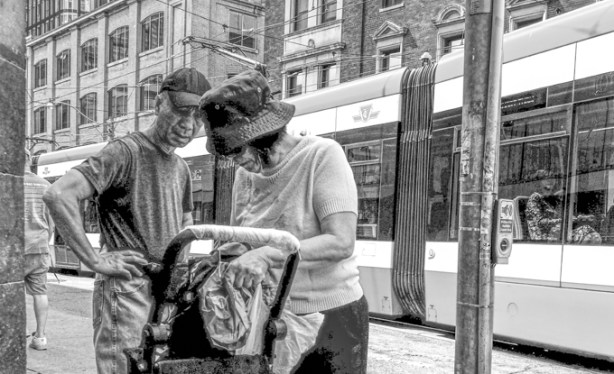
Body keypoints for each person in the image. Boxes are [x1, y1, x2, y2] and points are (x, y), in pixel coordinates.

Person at [200, 70, 369, 373]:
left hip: (332, 317)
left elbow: (341, 242)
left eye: (236, 149)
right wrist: (224, 259)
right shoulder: (245, 176)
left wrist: (268, 254)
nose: (233, 159)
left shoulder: (322, 156)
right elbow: (243, 240)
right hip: (271, 316)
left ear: (260, 136)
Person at [43, 68, 211, 374]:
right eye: (181, 112)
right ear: (160, 104)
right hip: (128, 290)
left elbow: (185, 220)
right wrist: (95, 260)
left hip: (164, 292)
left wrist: (178, 271)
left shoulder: (180, 167)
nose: (189, 125)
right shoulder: (125, 152)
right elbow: (59, 195)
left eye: (198, 117)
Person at [23, 148, 54, 351]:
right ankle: (40, 338)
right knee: (40, 292)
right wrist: (46, 242)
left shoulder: (7, 183)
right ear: (29, 161)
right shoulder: (46, 186)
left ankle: (12, 333)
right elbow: (52, 223)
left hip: (12, 250)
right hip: (39, 247)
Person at [526, 169, 601, 244]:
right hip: (544, 238)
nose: (550, 181)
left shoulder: (553, 200)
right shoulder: (535, 198)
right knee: (590, 236)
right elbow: (540, 223)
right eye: (546, 179)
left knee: (591, 233)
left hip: (559, 233)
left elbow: (563, 218)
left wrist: (581, 218)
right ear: (538, 183)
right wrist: (564, 220)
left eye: (553, 178)